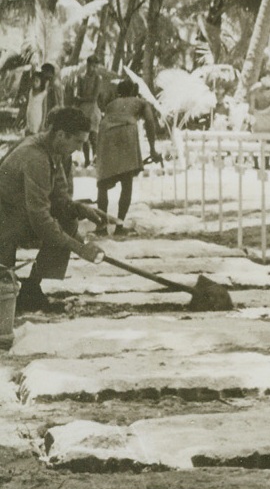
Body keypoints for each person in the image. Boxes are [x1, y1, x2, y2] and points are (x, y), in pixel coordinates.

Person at [0, 107, 108, 312]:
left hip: (15, 216)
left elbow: (59, 197)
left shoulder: (54, 151)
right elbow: (40, 220)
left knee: (68, 220)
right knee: (3, 295)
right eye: (77, 142)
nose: (78, 148)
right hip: (4, 223)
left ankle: (31, 289)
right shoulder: (35, 158)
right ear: (61, 135)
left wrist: (81, 209)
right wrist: (80, 248)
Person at [94, 78, 162, 235]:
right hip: (125, 131)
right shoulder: (141, 102)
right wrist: (152, 149)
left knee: (103, 182)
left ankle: (102, 226)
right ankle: (119, 226)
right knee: (126, 180)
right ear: (134, 91)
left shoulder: (112, 104)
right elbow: (150, 122)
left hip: (105, 132)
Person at [71, 55, 109, 167]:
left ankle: (96, 159)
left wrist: (80, 99)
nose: (94, 69)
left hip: (92, 108)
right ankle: (87, 160)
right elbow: (78, 93)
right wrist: (77, 98)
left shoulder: (98, 78)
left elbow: (94, 97)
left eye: (96, 67)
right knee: (84, 137)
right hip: (83, 109)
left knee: (93, 136)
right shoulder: (81, 77)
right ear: (87, 65)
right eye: (92, 66)